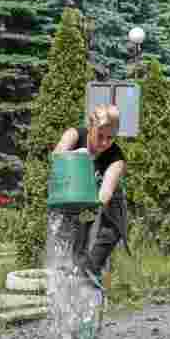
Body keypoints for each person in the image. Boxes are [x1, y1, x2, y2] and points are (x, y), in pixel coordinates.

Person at [53, 103, 129, 286]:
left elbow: (103, 196)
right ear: (90, 128)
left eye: (110, 138)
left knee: (89, 266)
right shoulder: (74, 135)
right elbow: (57, 158)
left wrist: (85, 217)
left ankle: (92, 294)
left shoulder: (116, 158)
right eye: (100, 136)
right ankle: (67, 289)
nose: (104, 143)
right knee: (70, 253)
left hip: (109, 211)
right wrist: (79, 157)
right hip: (77, 200)